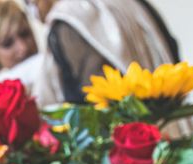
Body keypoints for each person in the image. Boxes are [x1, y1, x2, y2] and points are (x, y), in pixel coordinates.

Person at [28, 0, 181, 105]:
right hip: (175, 131)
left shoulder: (68, 21)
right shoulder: (132, 3)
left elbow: (93, 106)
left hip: (133, 145)